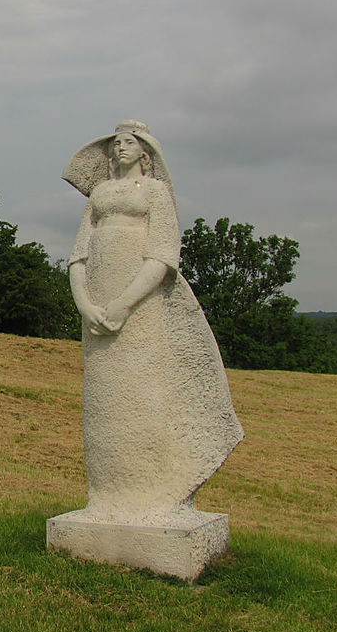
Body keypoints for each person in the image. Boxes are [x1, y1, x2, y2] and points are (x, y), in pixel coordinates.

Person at [63, 120, 244, 527]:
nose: (120, 148)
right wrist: (85, 305)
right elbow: (78, 256)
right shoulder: (100, 194)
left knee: (142, 391)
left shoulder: (158, 194)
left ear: (146, 152)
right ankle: (106, 496)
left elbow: (162, 257)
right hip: (96, 306)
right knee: (104, 398)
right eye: (116, 144)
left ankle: (152, 493)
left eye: (129, 143)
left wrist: (125, 304)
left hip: (140, 308)